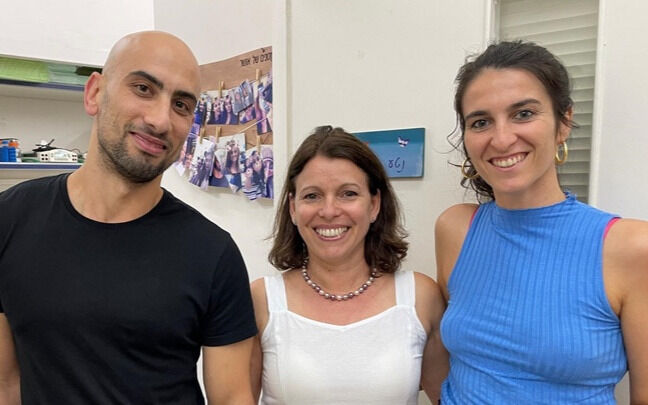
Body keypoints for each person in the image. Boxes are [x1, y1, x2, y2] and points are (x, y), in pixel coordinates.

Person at [0, 31, 257, 404]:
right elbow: (6, 383)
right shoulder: (10, 219)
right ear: (95, 94)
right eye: (142, 88)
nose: (160, 120)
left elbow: (232, 398)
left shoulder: (213, 254)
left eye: (182, 105)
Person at [436, 40, 648, 403]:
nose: (501, 139)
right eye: (481, 121)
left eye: (523, 114)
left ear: (563, 122)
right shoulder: (456, 229)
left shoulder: (630, 247)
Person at [249, 126, 448, 404]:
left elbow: (447, 398)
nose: (329, 211)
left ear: (374, 204)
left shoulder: (420, 296)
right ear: (293, 208)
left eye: (348, 194)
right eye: (312, 196)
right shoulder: (262, 300)